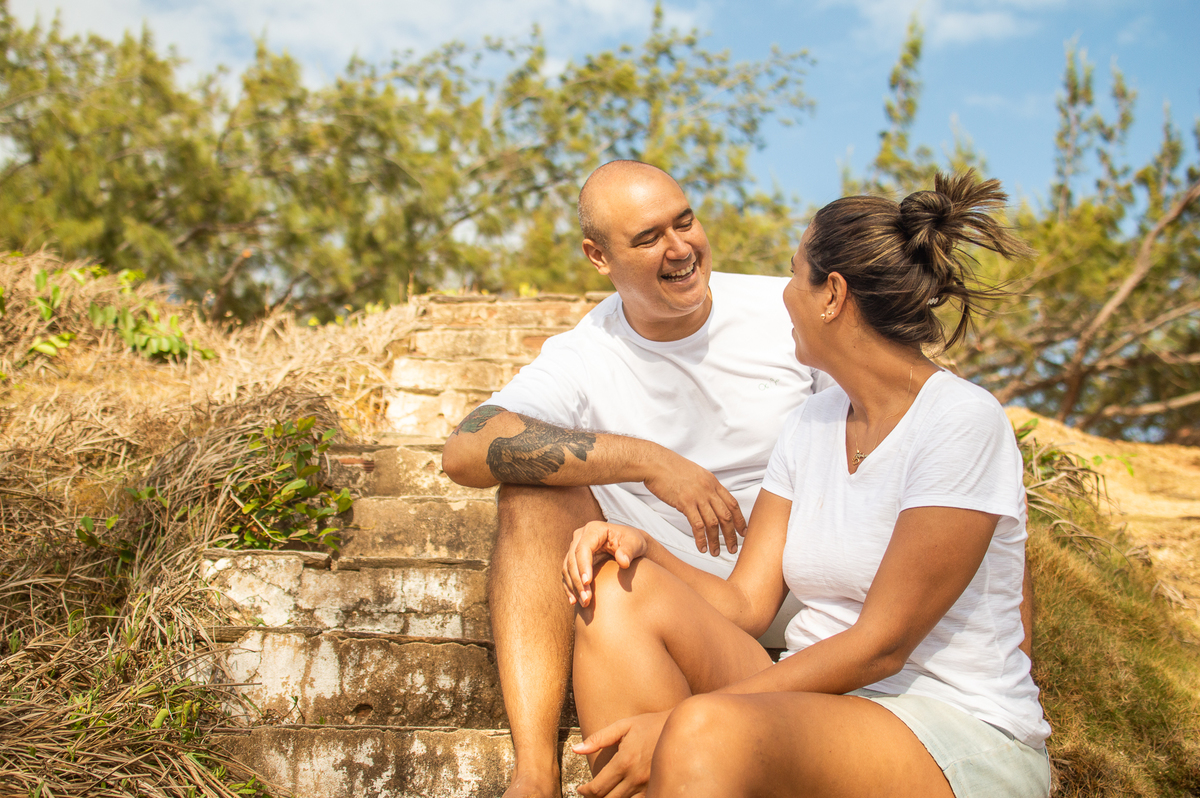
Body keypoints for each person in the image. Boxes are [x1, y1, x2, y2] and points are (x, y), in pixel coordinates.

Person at [561, 171, 1052, 798]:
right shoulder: (812, 421)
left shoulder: (961, 420)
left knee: (704, 729)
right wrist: (642, 547)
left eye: (795, 275)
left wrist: (674, 723)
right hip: (811, 696)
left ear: (832, 294)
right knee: (617, 591)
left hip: (947, 722)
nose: (784, 296)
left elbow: (881, 647)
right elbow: (747, 605)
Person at [441, 160, 828, 798]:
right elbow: (465, 448)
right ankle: (535, 774)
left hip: (813, 611)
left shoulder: (787, 309)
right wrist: (651, 461)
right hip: (669, 605)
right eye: (648, 238)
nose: (681, 250)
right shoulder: (585, 352)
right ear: (598, 256)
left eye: (686, 222)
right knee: (532, 490)